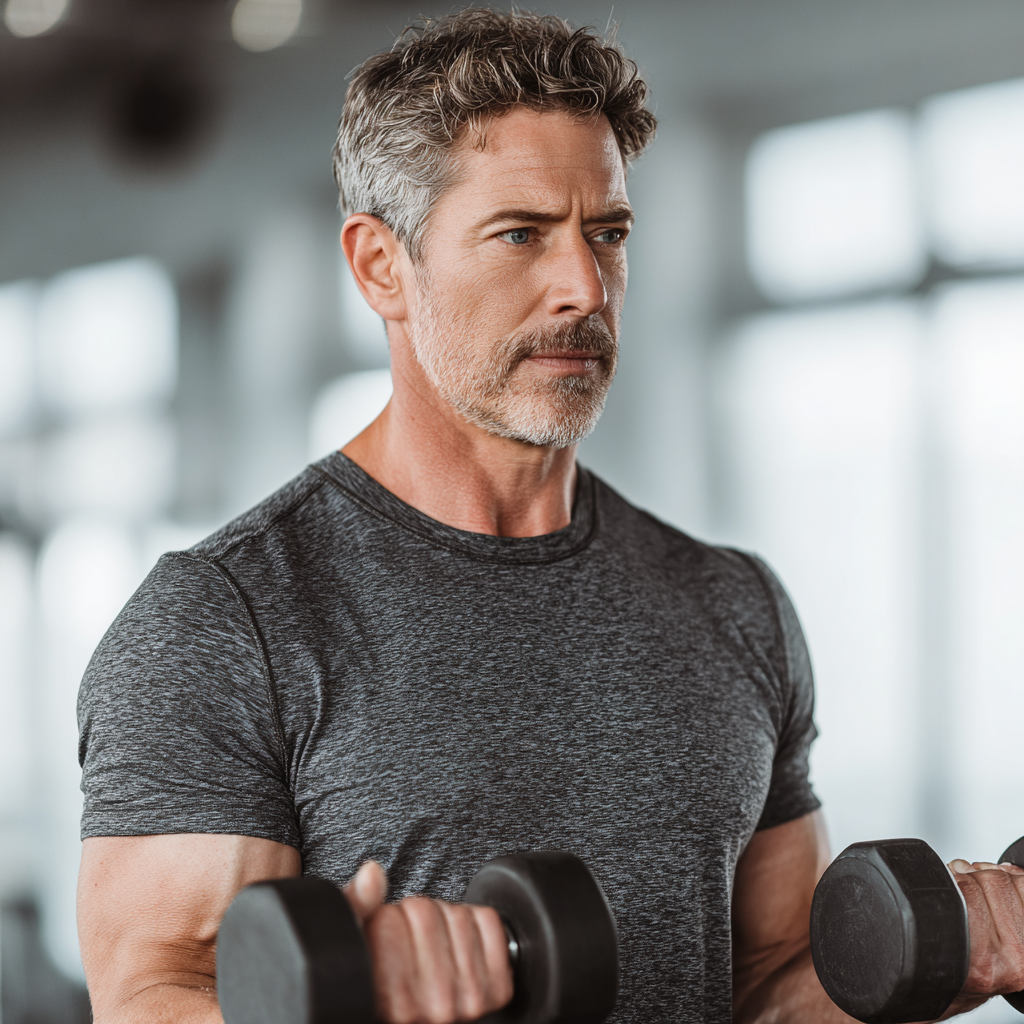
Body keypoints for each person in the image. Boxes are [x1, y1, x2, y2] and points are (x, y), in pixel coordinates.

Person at [76, 9, 1024, 1024]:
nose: (584, 286)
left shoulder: (731, 603)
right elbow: (151, 998)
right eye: (520, 234)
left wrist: (942, 957)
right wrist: (342, 1003)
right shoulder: (226, 621)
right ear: (379, 267)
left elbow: (768, 986)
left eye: (606, 233)